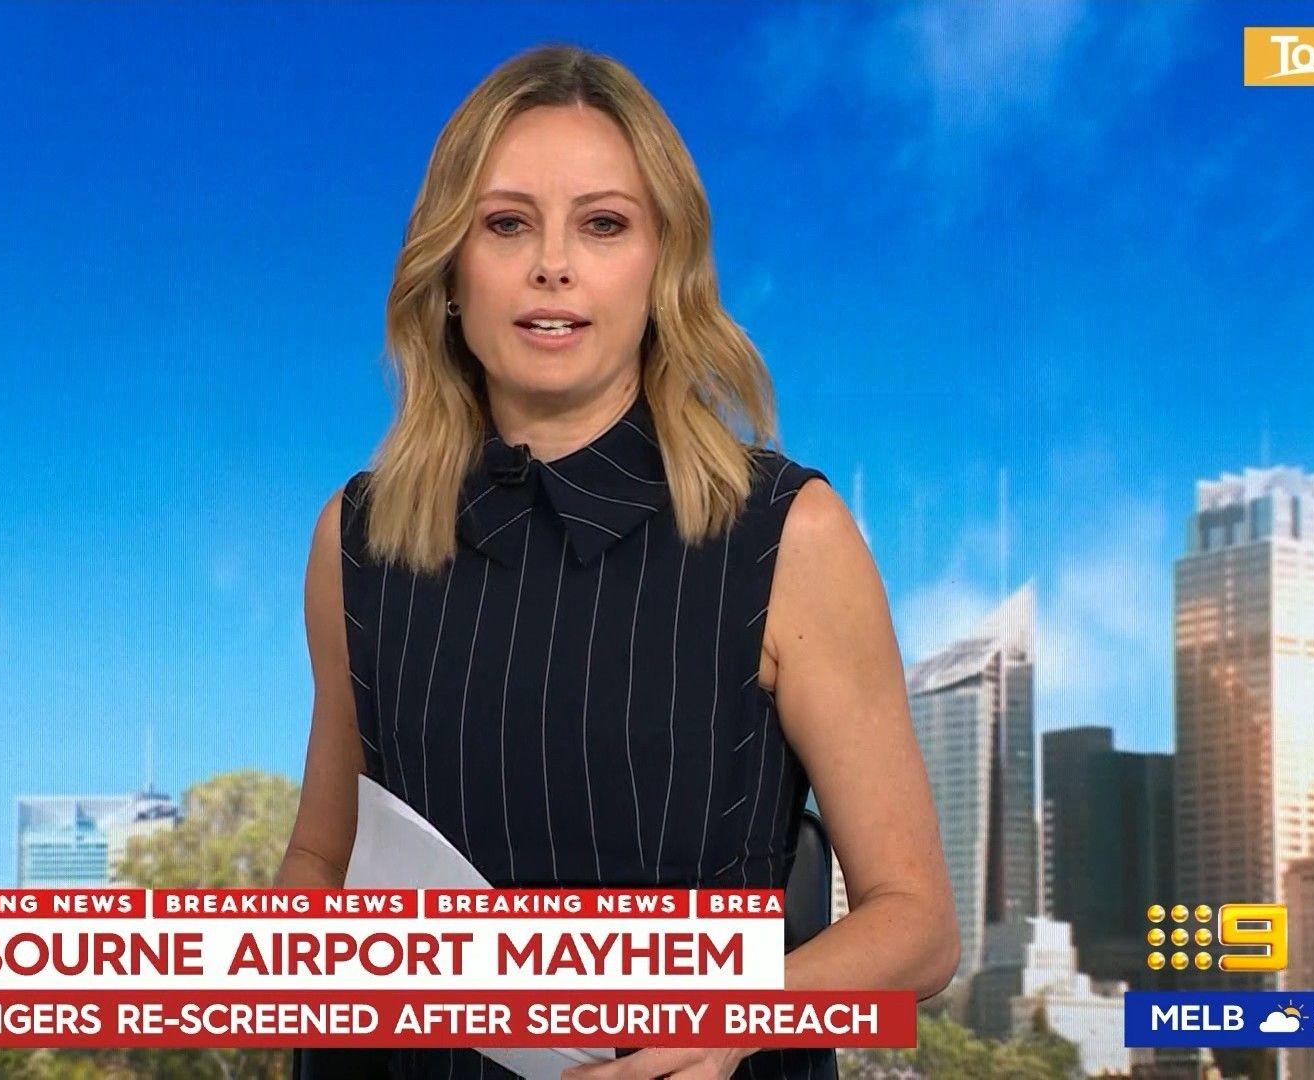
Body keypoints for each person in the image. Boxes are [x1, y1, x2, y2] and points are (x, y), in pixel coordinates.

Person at [274, 43, 958, 1080]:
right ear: (450, 270)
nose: (553, 264)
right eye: (507, 224)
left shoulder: (790, 534)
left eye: (602, 224)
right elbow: (322, 859)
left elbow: (919, 926)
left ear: (662, 268)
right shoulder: (356, 537)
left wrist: (732, 1021)